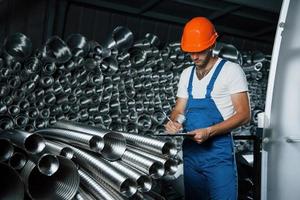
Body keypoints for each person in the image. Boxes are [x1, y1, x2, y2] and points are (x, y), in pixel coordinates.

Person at [165, 17, 250, 200]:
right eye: (190, 52)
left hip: (218, 158)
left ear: (212, 44)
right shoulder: (186, 74)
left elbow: (244, 115)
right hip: (191, 155)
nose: (194, 57)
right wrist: (175, 122)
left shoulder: (231, 71)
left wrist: (210, 131)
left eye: (199, 51)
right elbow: (179, 109)